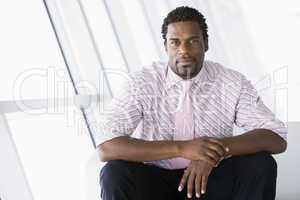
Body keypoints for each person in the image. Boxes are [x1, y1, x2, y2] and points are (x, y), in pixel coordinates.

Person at [97, 6, 287, 200]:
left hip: (210, 179)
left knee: (261, 164)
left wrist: (212, 153)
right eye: (175, 42)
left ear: (205, 43)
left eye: (193, 41)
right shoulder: (142, 82)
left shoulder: (231, 82)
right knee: (114, 173)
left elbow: (276, 138)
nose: (184, 51)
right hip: (155, 182)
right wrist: (182, 148)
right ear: (165, 46)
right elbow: (106, 147)